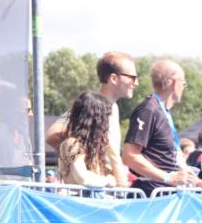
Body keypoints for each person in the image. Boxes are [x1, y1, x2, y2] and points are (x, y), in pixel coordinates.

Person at [122, 60, 202, 196]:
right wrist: (168, 178)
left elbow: (169, 159)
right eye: (183, 83)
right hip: (150, 197)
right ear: (175, 83)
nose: (183, 87)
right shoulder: (148, 110)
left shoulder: (162, 111)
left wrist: (197, 182)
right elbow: (129, 156)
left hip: (166, 195)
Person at [46, 51, 137, 180]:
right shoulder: (89, 106)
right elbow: (52, 136)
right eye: (132, 77)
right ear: (114, 79)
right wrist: (85, 160)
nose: (136, 83)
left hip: (107, 187)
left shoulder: (114, 108)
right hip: (92, 190)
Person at [57, 91, 127, 187]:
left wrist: (112, 150)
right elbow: (83, 178)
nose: (107, 124)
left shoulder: (96, 149)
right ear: (96, 120)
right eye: (105, 118)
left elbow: (122, 184)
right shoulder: (72, 144)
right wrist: (107, 180)